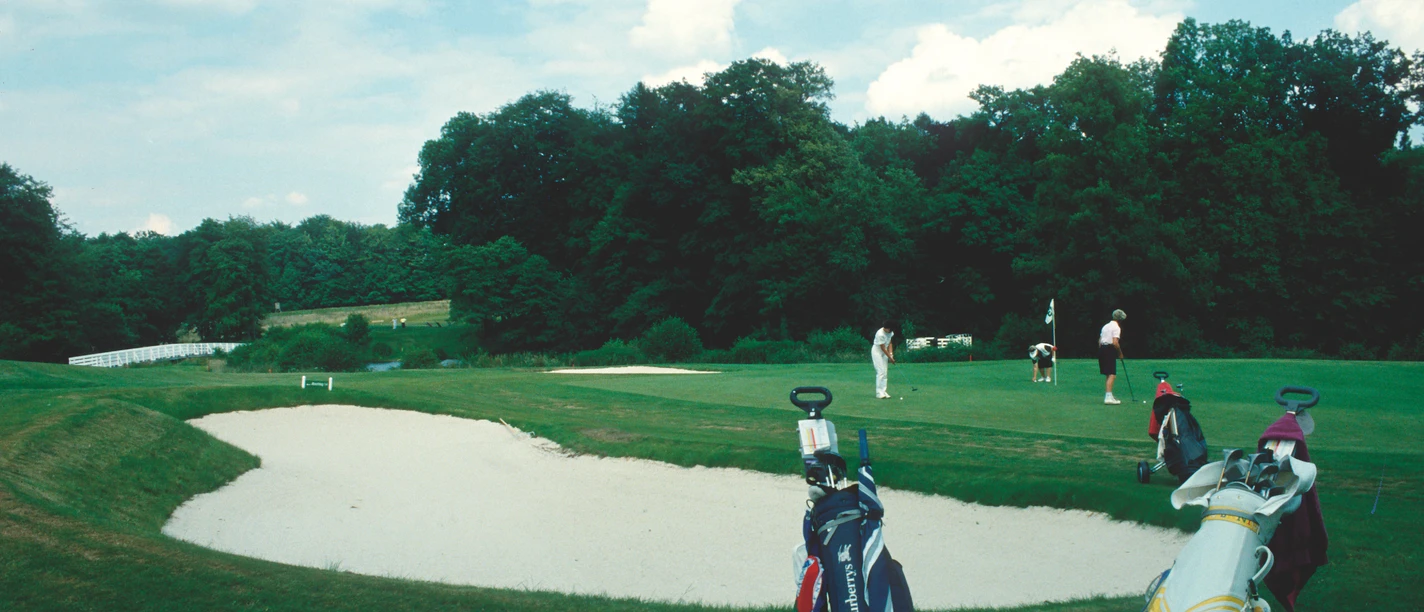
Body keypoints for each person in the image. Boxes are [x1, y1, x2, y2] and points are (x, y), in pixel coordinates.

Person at [1099, 309, 1126, 404]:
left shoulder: (1105, 326)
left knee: (1108, 373)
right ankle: (1108, 398)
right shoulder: (1116, 327)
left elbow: (1100, 340)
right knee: (1112, 374)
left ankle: (1109, 395)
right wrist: (1120, 353)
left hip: (1102, 348)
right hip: (1109, 349)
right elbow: (1115, 342)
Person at [872, 321, 895, 399]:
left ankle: (884, 391)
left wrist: (891, 354)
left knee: (885, 372)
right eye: (887, 329)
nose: (888, 330)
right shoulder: (880, 334)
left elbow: (890, 343)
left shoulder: (891, 332)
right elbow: (883, 348)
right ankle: (879, 393)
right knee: (880, 372)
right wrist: (890, 358)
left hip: (885, 353)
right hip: (877, 352)